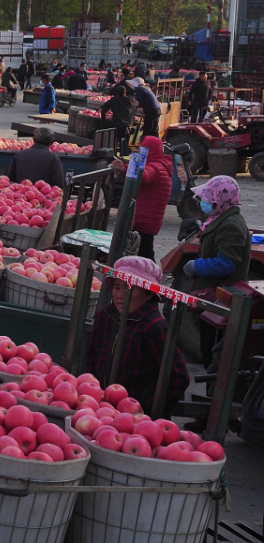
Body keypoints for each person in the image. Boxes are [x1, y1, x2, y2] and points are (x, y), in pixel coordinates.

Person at [86, 256, 190, 414]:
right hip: (99, 407)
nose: (120, 295)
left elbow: (178, 376)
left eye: (129, 288)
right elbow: (91, 356)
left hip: (134, 417)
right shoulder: (105, 316)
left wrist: (146, 409)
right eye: (117, 287)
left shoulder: (154, 328)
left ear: (148, 294)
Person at [183, 176, 252, 366]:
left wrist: (196, 266)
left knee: (214, 355)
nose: (205, 202)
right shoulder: (221, 218)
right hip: (213, 300)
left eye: (209, 199)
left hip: (221, 301)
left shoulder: (231, 225)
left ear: (222, 199)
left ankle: (215, 393)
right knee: (208, 350)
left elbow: (226, 264)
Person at [111, 136, 172, 261]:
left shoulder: (155, 167)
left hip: (144, 221)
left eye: (143, 148)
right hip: (148, 220)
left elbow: (143, 176)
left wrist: (125, 168)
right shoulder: (162, 164)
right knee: (144, 251)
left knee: (144, 254)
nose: (139, 151)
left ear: (150, 150)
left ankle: (151, 277)